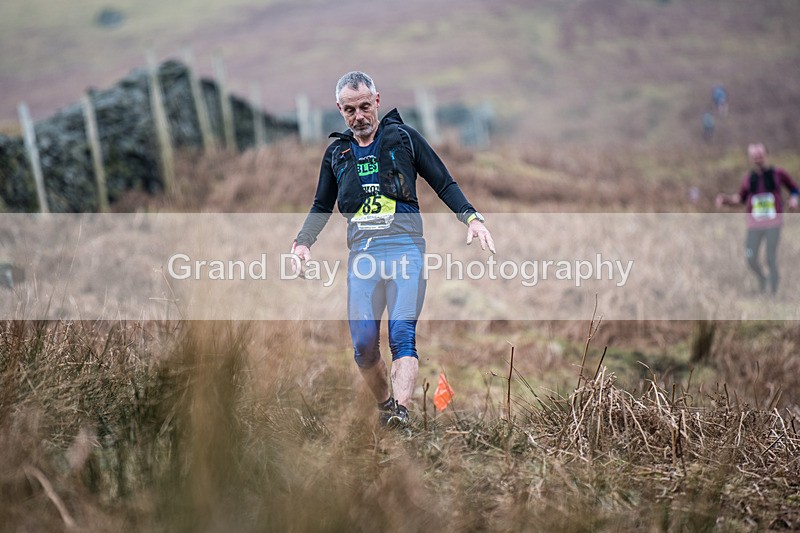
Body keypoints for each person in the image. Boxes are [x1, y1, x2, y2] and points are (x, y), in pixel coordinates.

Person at [291, 71, 494, 427]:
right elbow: (321, 204)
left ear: (378, 102)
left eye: (366, 107)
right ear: (340, 110)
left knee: (402, 335)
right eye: (351, 110)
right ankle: (386, 405)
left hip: (405, 253)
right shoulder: (337, 153)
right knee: (364, 346)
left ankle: (401, 412)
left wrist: (472, 219)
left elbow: (443, 182)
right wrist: (302, 242)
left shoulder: (404, 139)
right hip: (363, 260)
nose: (360, 117)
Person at [716, 143, 799, 295]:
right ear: (750, 158)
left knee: (769, 257)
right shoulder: (749, 178)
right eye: (754, 156)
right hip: (754, 225)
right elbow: (740, 198)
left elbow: (795, 189)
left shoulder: (778, 173)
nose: (757, 159)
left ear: (766, 155)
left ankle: (773, 294)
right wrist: (726, 199)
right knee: (750, 257)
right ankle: (762, 279)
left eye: (760, 155)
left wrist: (794, 199)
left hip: (773, 224)